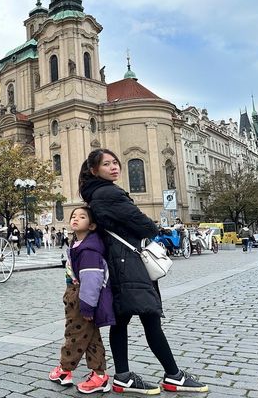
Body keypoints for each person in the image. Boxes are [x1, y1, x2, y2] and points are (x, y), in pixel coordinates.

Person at [79, 148, 208, 394]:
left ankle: (124, 376)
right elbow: (145, 225)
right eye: (107, 164)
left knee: (123, 319)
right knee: (150, 318)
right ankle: (173, 375)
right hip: (130, 263)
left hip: (120, 262)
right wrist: (149, 227)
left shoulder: (95, 193)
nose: (114, 167)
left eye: (116, 162)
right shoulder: (109, 192)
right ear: (94, 170)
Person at [49, 206, 115, 393]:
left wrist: (86, 307)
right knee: (92, 337)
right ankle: (99, 375)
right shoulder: (78, 244)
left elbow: (92, 281)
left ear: (92, 225)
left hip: (81, 299)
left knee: (74, 335)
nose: (76, 218)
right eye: (73, 216)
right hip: (77, 296)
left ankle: (64, 370)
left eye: (82, 216)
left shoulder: (88, 250)